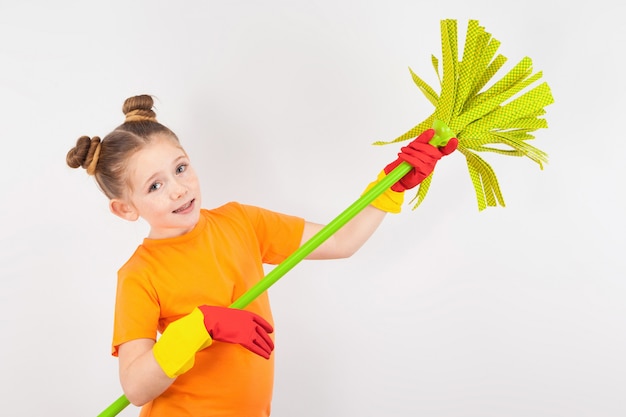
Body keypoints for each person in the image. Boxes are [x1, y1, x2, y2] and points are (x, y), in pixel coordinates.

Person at [66, 94, 457, 417]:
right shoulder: (139, 274)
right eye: (155, 186)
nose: (178, 190)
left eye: (181, 168)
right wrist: (202, 325)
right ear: (125, 209)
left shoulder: (241, 222)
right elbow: (135, 387)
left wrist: (392, 185)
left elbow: (342, 241)